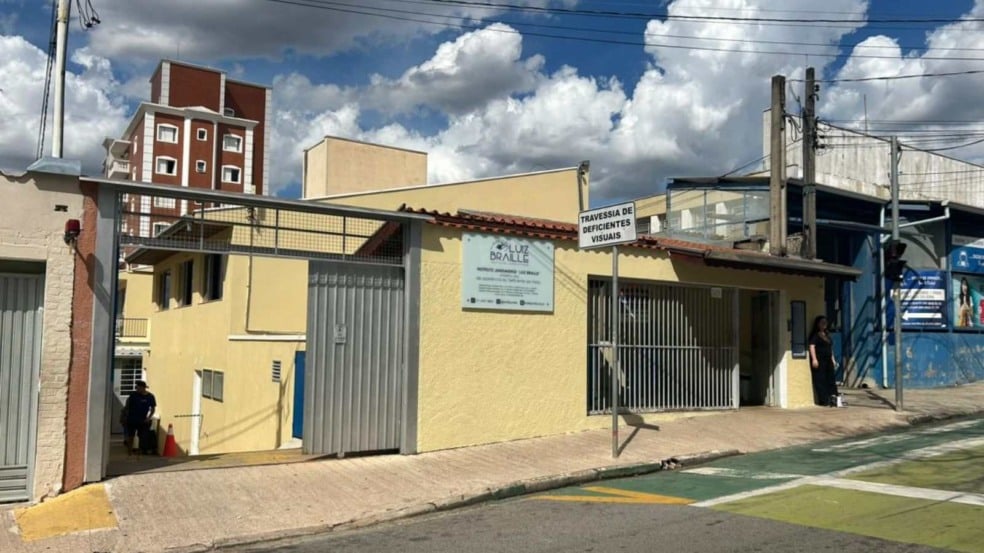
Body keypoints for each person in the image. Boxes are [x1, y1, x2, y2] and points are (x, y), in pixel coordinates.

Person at [808, 315, 839, 407]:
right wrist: (814, 359)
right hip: (820, 360)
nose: (824, 324)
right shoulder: (815, 335)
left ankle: (833, 398)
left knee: (831, 378)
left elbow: (830, 348)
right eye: (822, 322)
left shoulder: (827, 335)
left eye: (825, 322)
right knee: (820, 379)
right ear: (818, 324)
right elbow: (812, 346)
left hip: (828, 360)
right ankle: (824, 400)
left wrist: (833, 359)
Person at [123, 380, 157, 454]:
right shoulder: (133, 395)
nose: (137, 389)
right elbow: (127, 406)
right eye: (136, 388)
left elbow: (153, 408)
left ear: (143, 388)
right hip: (131, 418)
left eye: (138, 388)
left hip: (142, 419)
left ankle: (141, 450)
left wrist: (149, 417)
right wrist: (125, 416)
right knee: (130, 435)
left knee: (142, 436)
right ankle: (129, 451)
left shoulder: (150, 397)